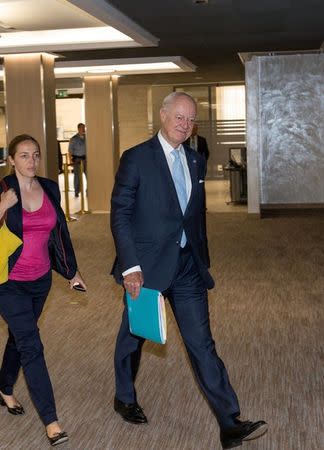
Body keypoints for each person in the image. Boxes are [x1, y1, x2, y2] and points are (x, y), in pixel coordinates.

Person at [110, 92, 267, 449]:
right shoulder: (136, 158)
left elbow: (195, 218)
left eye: (190, 119)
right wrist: (130, 267)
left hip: (186, 268)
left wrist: (202, 258)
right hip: (146, 268)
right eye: (178, 117)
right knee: (134, 337)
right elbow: (120, 215)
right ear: (163, 116)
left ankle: (229, 422)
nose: (184, 124)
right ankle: (124, 397)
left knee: (202, 343)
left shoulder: (195, 160)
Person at [0, 134, 86, 446]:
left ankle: (4, 387)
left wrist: (70, 270)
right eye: (23, 156)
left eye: (35, 154)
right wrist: (1, 207)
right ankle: (51, 421)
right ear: (11, 160)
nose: (31, 161)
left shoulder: (49, 188)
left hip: (40, 280)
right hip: (7, 282)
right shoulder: (3, 190)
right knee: (32, 345)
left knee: (19, 337)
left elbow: (59, 233)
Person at [68, 123, 86, 197]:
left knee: (89, 176)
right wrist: (70, 161)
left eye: (84, 128)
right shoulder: (74, 139)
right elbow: (70, 151)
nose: (83, 129)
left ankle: (88, 191)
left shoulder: (87, 137)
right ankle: (77, 191)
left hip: (86, 159)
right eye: (81, 128)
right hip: (77, 160)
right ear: (78, 129)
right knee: (77, 177)